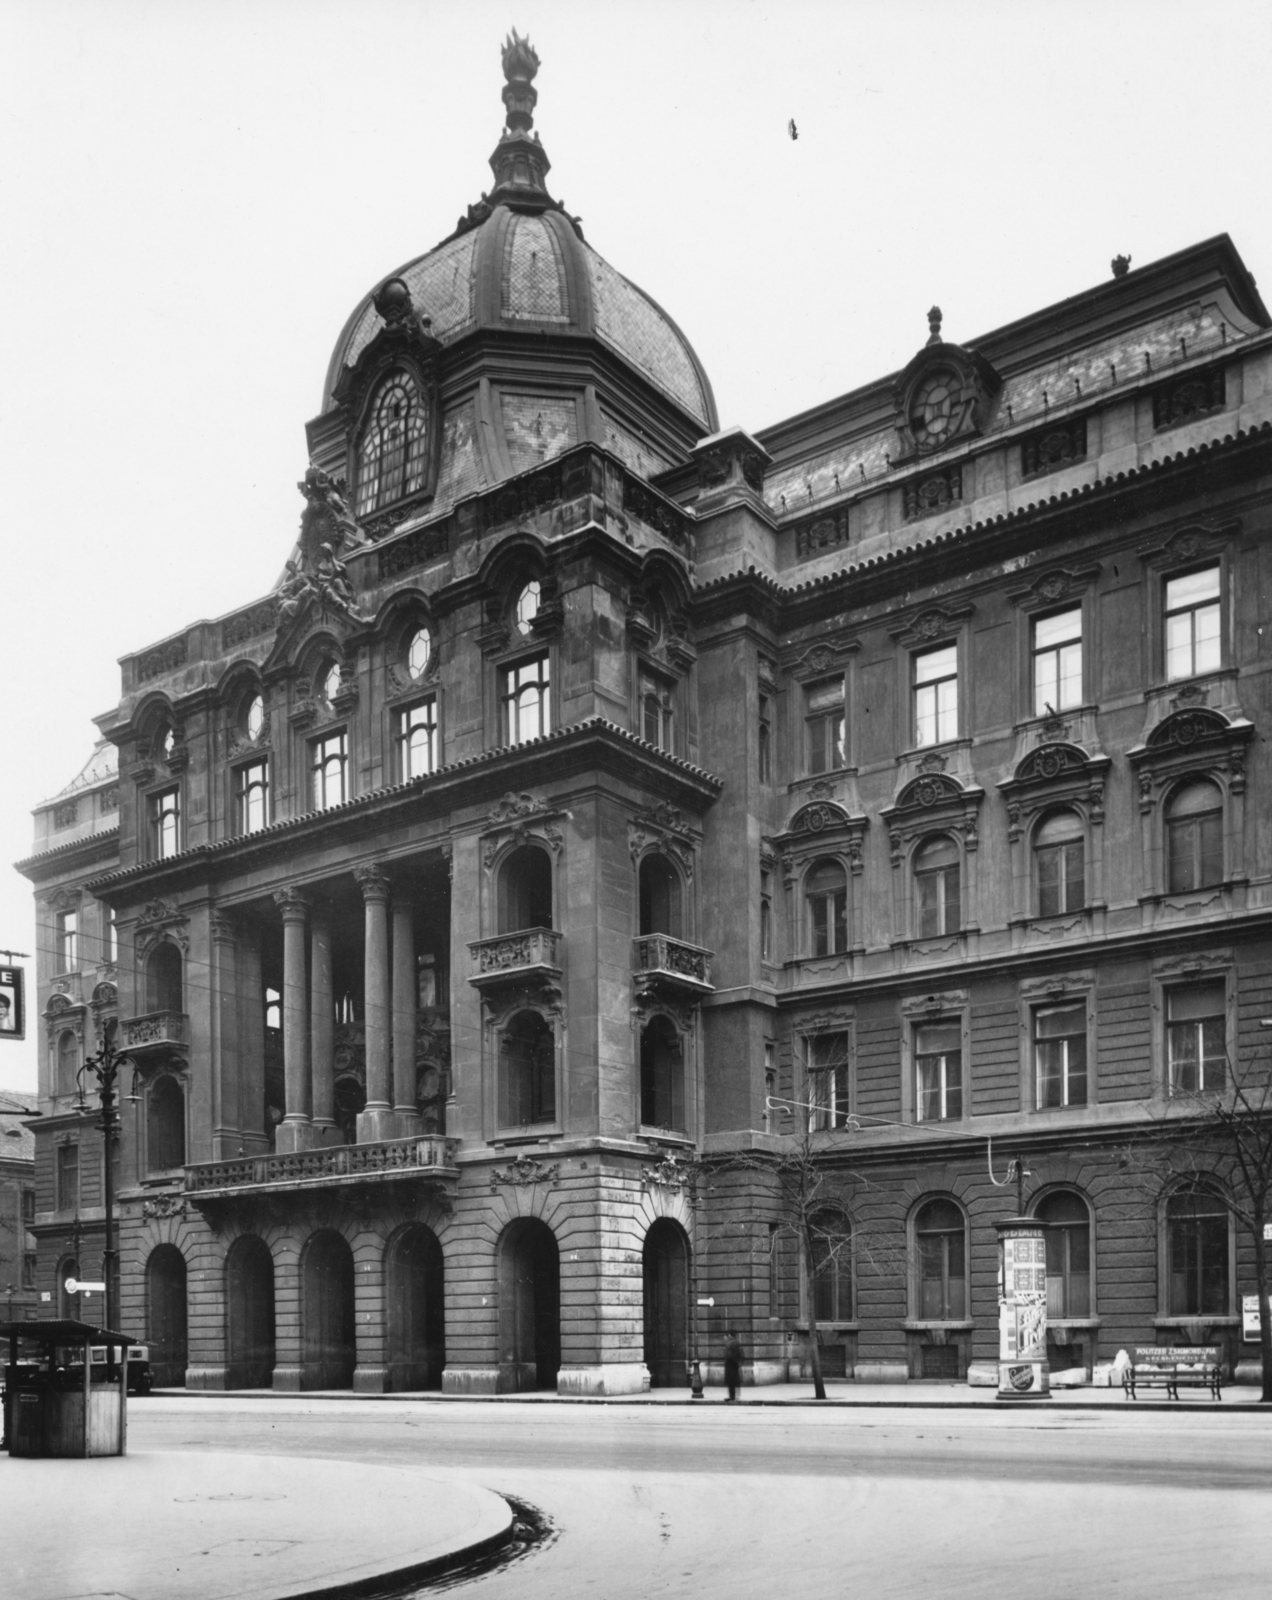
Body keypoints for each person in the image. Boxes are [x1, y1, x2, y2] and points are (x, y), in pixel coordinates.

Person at [723, 1330, 745, 1402]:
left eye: (726, 1336)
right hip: (735, 1364)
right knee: (735, 1381)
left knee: (731, 1381)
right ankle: (735, 1396)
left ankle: (732, 1396)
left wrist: (728, 1362)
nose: (724, 1338)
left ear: (729, 1335)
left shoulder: (730, 1343)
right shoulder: (737, 1342)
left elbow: (729, 1355)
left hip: (730, 1364)